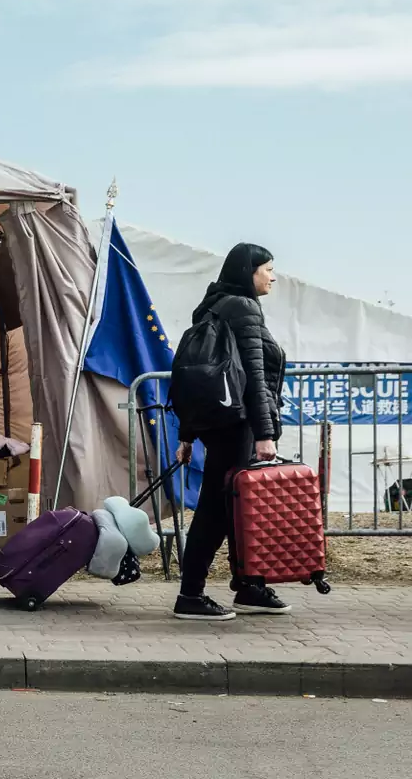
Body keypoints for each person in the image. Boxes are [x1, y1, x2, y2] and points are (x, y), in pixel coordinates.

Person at [172, 243, 288, 621]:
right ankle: (191, 594)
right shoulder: (244, 308)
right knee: (218, 510)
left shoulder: (212, 305)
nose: (273, 276)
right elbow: (254, 376)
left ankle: (249, 586)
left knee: (240, 508)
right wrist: (264, 433)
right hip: (238, 425)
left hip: (217, 424)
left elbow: (194, 375)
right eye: (267, 268)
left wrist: (187, 435)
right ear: (247, 271)